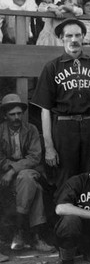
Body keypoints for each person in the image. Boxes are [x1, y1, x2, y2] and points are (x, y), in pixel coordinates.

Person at [31, 19, 90, 193]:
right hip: (64, 127)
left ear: (84, 37)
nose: (74, 39)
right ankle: (66, 219)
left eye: (78, 35)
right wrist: (49, 146)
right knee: (66, 178)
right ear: (61, 38)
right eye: (69, 35)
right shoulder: (52, 68)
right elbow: (45, 109)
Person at [0, 94, 53, 253]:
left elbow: (34, 157)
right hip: (6, 173)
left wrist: (13, 170)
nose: (17, 117)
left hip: (29, 170)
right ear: (5, 115)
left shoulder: (31, 129)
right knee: (33, 187)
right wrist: (10, 169)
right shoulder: (0, 130)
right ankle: (36, 238)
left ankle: (19, 229)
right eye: (12, 114)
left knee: (27, 176)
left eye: (19, 113)